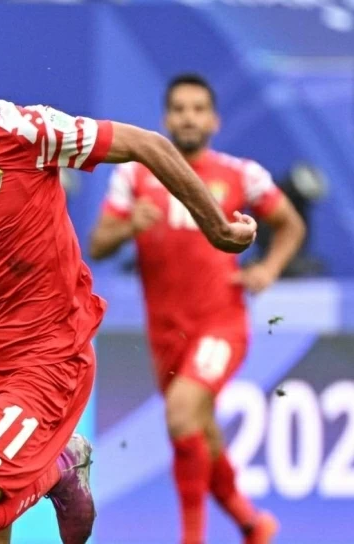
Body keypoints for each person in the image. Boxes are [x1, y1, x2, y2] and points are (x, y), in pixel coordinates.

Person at [0, 7, 259, 544]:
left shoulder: (26, 130)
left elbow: (147, 145)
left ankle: (60, 467)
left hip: (50, 357)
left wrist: (218, 227)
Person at [88, 73, 305, 544]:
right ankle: (252, 524)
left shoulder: (241, 174)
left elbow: (290, 224)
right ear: (166, 119)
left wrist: (268, 269)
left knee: (183, 414)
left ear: (214, 120)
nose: (189, 117)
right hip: (166, 333)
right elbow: (98, 244)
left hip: (221, 325)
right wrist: (128, 227)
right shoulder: (135, 176)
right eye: (180, 109)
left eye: (198, 109)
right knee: (199, 430)